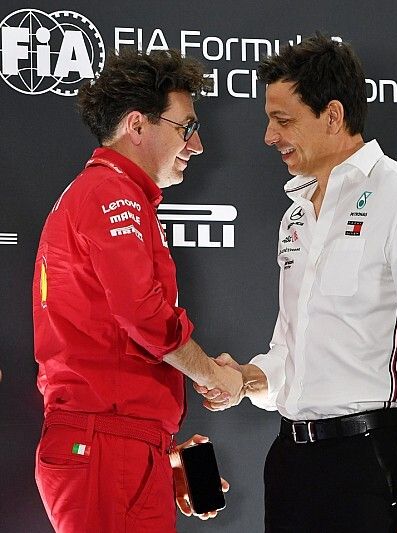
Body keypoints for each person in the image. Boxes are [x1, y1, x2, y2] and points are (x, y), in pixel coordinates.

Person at [195, 34, 397, 532]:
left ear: (332, 115)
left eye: (283, 121)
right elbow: (290, 352)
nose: (268, 136)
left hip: (372, 464)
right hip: (290, 463)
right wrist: (247, 380)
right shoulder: (295, 217)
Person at [32, 49, 242, 533]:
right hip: (105, 445)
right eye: (186, 127)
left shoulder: (111, 194)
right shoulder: (109, 193)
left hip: (120, 444)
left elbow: (115, 339)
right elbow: (143, 315)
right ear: (137, 125)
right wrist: (211, 374)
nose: (198, 144)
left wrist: (157, 454)